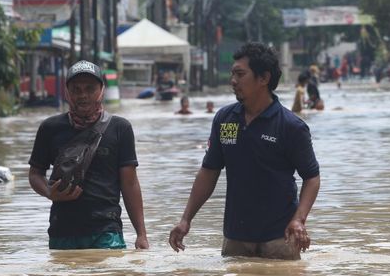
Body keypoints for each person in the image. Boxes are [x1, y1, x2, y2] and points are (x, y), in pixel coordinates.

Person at [168, 42, 321, 260]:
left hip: (280, 239)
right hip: (236, 239)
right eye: (233, 74)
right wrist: (186, 219)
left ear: (263, 78)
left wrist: (299, 220)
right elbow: (208, 172)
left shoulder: (291, 126)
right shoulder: (224, 119)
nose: (233, 81)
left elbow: (312, 178)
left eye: (240, 74)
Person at [28, 60, 149, 250]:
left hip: (107, 232)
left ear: (101, 90)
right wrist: (49, 193)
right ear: (67, 92)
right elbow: (35, 174)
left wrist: (141, 234)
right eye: (76, 89)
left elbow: (130, 183)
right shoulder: (49, 129)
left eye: (90, 89)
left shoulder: (120, 128)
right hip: (62, 232)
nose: (83, 95)